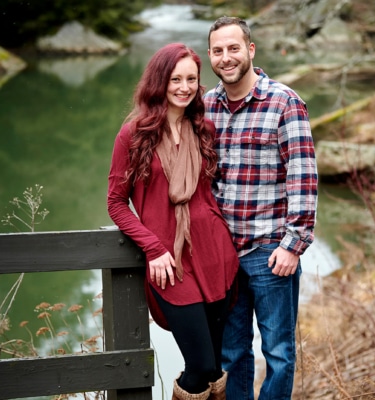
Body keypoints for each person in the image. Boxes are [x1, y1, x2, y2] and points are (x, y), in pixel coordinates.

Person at [107, 42, 239, 400]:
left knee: (214, 367)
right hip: (171, 262)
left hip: (215, 254)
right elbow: (116, 204)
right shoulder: (134, 134)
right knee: (197, 366)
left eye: (192, 79)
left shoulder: (203, 128)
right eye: (175, 79)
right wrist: (153, 248)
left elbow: (209, 194)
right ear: (159, 81)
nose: (184, 87)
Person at [204, 17, 318, 399]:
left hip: (271, 253)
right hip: (224, 256)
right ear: (210, 56)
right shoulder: (205, 107)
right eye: (218, 51)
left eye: (233, 48)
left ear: (250, 50)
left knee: (279, 354)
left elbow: (303, 176)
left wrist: (293, 244)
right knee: (231, 354)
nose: (226, 57)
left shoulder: (284, 102)